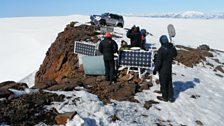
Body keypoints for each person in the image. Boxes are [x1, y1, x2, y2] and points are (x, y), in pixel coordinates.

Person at [153, 35, 177, 102]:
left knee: (163, 83)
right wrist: (173, 46)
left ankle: (165, 97)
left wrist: (155, 69)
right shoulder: (172, 48)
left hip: (162, 69)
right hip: (169, 68)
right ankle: (171, 97)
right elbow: (175, 54)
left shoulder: (161, 50)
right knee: (169, 82)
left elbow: (158, 62)